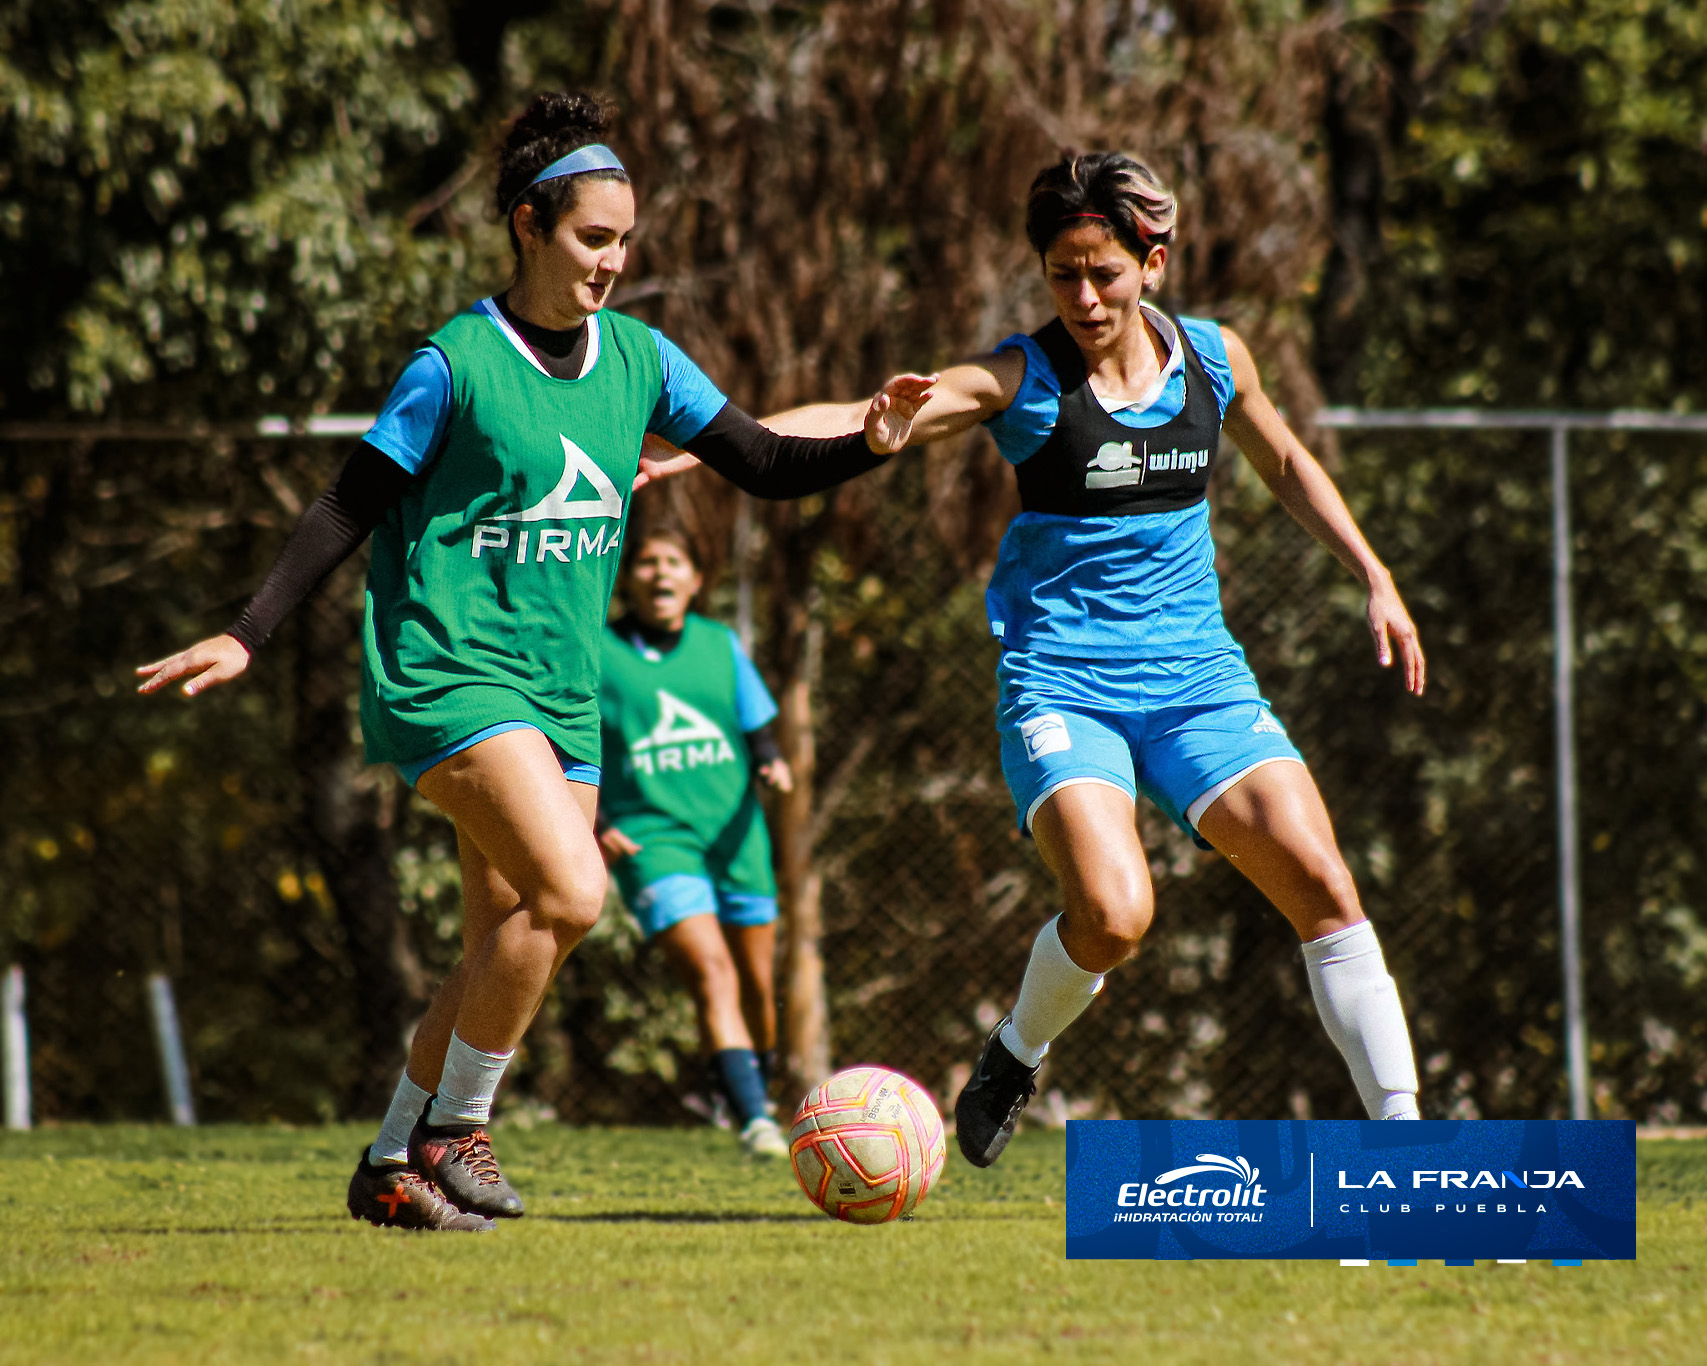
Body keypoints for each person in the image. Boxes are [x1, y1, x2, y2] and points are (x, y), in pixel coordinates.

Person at [135, 90, 928, 1230]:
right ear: (527, 225)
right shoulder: (456, 362)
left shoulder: (641, 360)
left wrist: (869, 439)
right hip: (447, 670)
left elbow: (755, 457)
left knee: (503, 942)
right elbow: (346, 503)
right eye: (592, 238)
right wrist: (244, 631)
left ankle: (389, 1162)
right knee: (574, 889)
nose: (612, 261)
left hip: (565, 689)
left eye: (624, 242)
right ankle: (459, 1129)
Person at [773, 152, 1428, 1165]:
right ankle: (1016, 1048)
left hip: (1198, 681)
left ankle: (1406, 1144)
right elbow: (862, 411)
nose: (1082, 296)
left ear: (1153, 261)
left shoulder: (1215, 360)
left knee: (1324, 884)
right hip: (1064, 682)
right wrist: (712, 441)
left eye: (1104, 272)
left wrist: (1375, 573)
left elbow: (1289, 462)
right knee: (1117, 916)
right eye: (1061, 275)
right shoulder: (1022, 380)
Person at [596, 527, 792, 1158]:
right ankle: (753, 1119)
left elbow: (756, 724)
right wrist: (593, 821)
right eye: (647, 562)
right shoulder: (595, 652)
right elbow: (561, 742)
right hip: (653, 837)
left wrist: (770, 762)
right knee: (712, 970)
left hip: (735, 833)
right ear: (628, 578)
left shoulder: (719, 643)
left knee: (759, 983)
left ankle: (751, 1087)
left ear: (695, 580)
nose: (659, 574)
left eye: (673, 562)